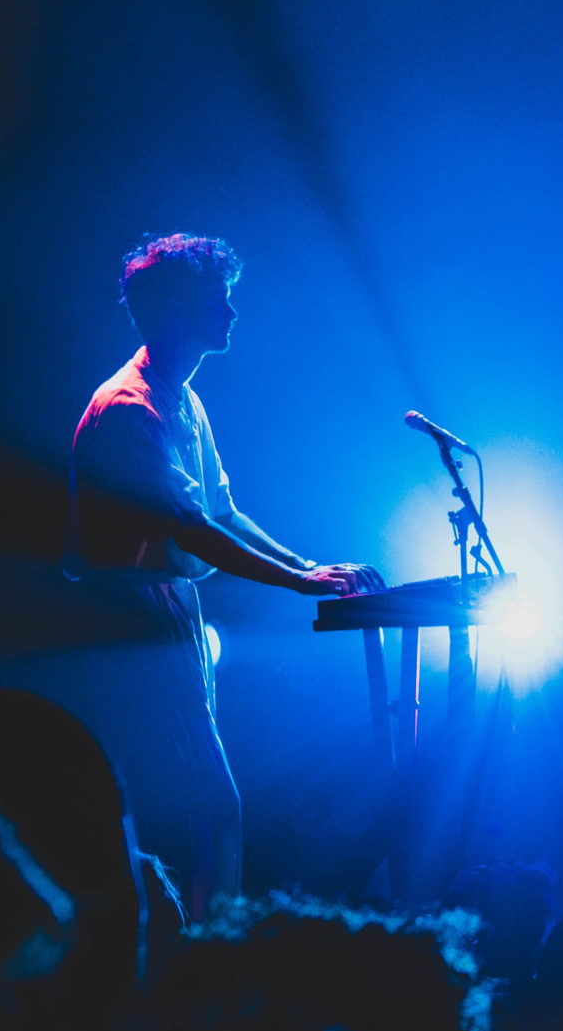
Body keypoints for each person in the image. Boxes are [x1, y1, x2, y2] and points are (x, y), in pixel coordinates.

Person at [65, 233, 379, 908]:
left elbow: (223, 511)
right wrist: (299, 584)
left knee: (197, 807)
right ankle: (204, 962)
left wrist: (307, 565)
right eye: (219, 300)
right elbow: (195, 530)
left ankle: (199, 950)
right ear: (175, 312)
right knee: (205, 804)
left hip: (166, 615)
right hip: (129, 622)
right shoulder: (130, 409)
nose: (232, 313)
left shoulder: (185, 399)